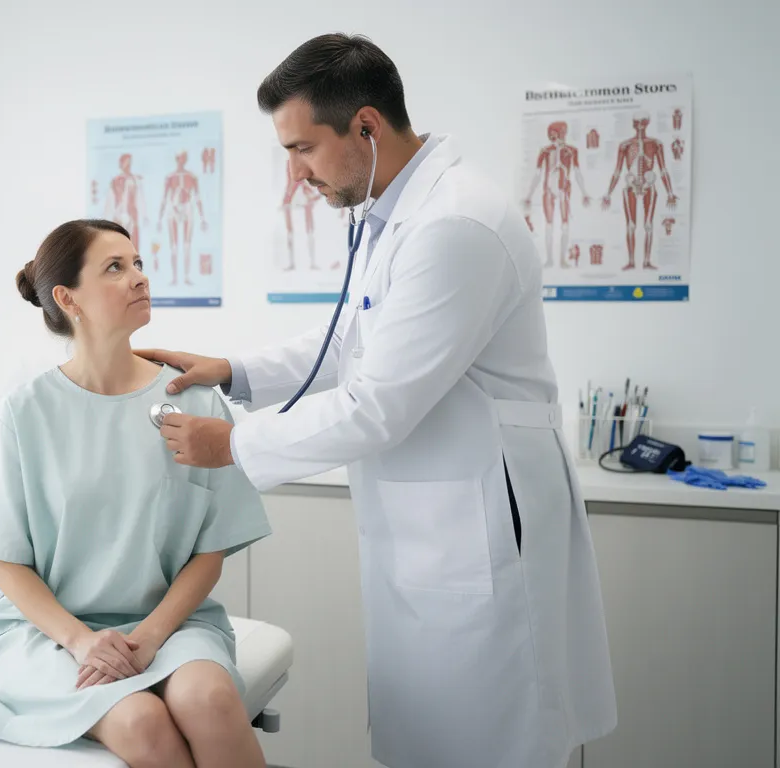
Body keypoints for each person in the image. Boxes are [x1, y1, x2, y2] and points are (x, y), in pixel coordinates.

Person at [138, 33, 617, 768]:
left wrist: (232, 446)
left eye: (303, 149)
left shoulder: (453, 225)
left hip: (481, 532)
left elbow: (377, 403)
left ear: (365, 125)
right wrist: (232, 370)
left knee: (488, 742)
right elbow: (349, 344)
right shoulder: (392, 215)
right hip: (437, 526)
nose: (295, 175)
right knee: (433, 738)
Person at [0, 219, 272, 768]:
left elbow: (209, 552)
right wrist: (79, 641)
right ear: (68, 298)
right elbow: (10, 565)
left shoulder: (192, 400)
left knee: (207, 699)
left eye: (138, 263)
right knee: (141, 720)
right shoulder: (25, 413)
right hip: (47, 631)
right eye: (116, 267)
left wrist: (148, 636)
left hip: (170, 622)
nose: (138, 277)